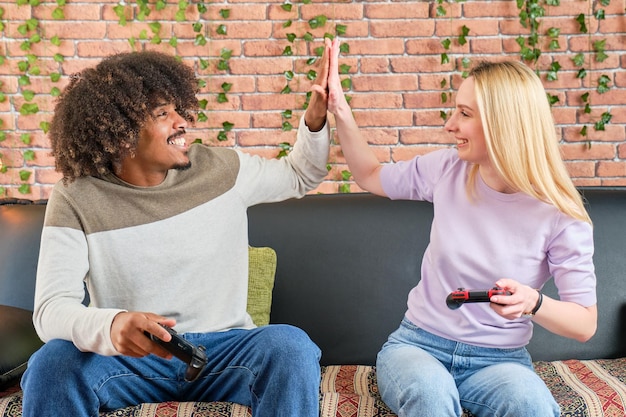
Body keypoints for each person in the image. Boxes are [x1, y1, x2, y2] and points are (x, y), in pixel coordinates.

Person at [21, 41, 333, 417]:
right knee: (53, 361)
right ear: (121, 132)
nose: (182, 122)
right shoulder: (76, 197)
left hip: (227, 349)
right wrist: (112, 324)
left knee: (290, 346)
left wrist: (316, 118)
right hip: (133, 357)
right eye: (162, 113)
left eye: (177, 109)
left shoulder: (221, 169)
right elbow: (51, 310)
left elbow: (301, 174)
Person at [326, 39, 597, 417]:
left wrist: (534, 302)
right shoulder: (448, 169)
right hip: (418, 347)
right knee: (431, 396)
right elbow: (371, 175)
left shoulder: (562, 216)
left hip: (500, 362)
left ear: (504, 125)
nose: (449, 125)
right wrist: (339, 108)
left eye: (464, 113)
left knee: (532, 404)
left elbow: (584, 323)